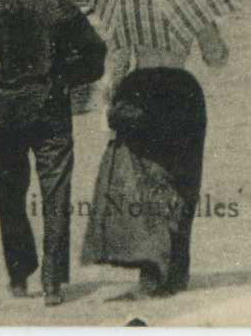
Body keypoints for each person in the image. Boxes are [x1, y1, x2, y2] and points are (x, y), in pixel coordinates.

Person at [0, 0, 108, 306]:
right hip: (51, 109)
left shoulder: (1, 6)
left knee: (10, 194)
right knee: (56, 194)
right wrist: (64, 79)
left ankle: (18, 274)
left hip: (6, 111)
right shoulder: (65, 11)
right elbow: (96, 59)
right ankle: (52, 282)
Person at [83, 25, 226, 297]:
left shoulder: (131, 10)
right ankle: (177, 269)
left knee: (146, 179)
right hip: (183, 92)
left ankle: (153, 269)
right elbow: (216, 56)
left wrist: (110, 100)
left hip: (140, 89)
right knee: (185, 178)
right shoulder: (190, 8)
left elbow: (118, 64)